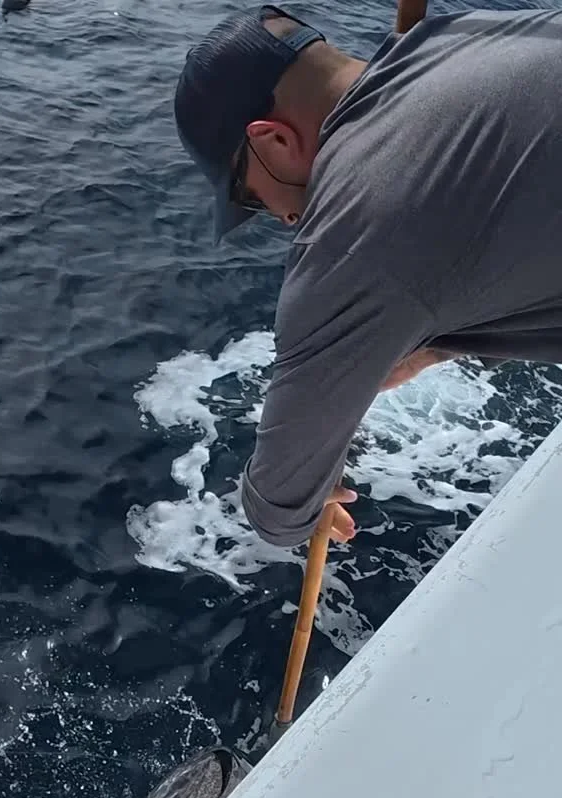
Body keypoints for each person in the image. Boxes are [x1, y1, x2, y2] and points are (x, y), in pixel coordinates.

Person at [174, 4, 562, 548]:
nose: (284, 218)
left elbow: (280, 507)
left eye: (251, 197)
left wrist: (301, 503)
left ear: (273, 141)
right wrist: (436, 346)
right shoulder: (459, 34)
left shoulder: (350, 231)